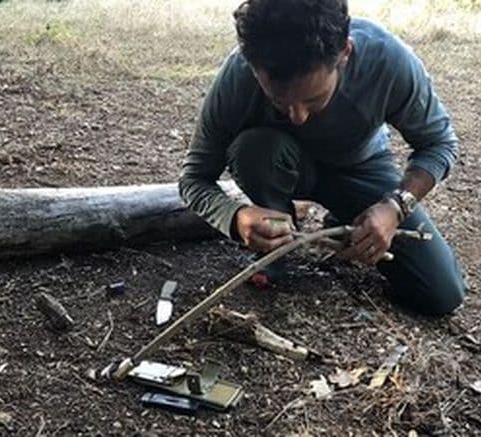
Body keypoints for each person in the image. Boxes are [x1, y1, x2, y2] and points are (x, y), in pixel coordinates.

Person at [178, 0, 465, 317]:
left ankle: (344, 218)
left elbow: (440, 144)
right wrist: (235, 217)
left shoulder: (386, 60)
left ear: (345, 52)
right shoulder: (238, 76)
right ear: (252, 66)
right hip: (277, 163)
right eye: (278, 100)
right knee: (253, 149)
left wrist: (395, 207)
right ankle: (276, 246)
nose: (298, 117)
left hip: (360, 168)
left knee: (441, 294)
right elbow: (194, 179)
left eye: (313, 99)